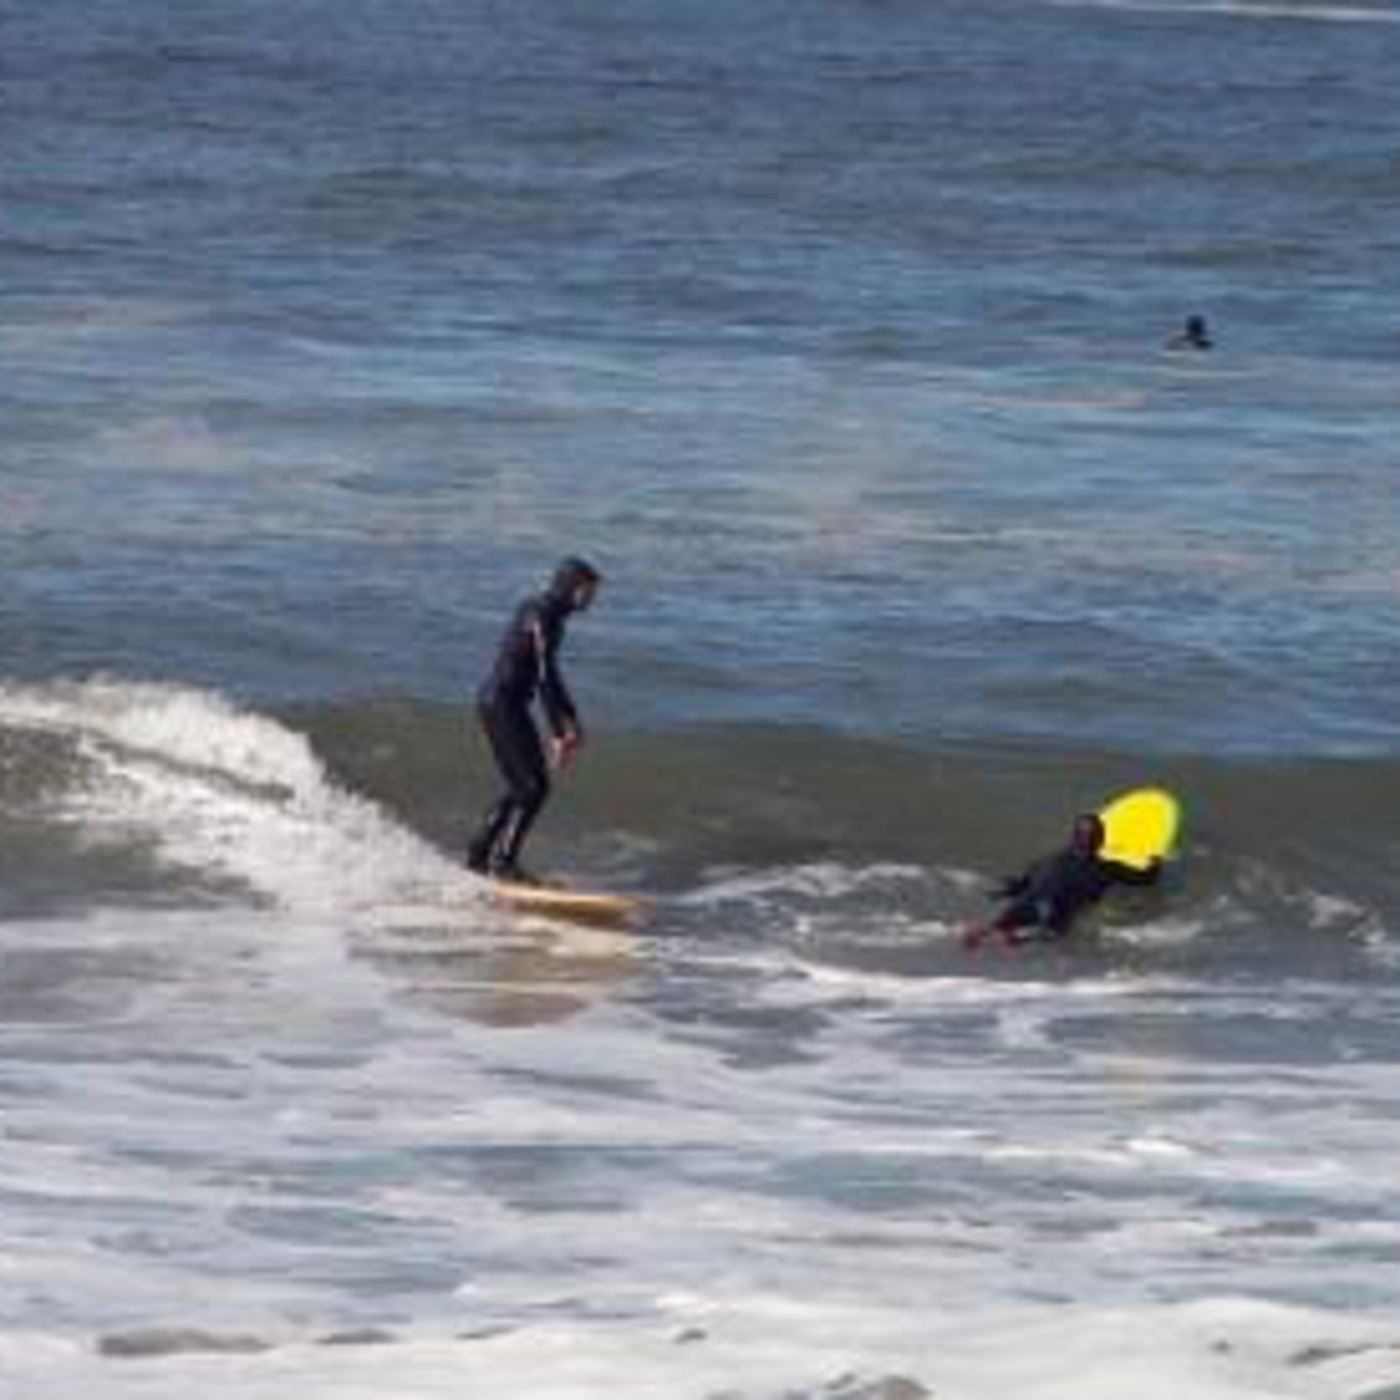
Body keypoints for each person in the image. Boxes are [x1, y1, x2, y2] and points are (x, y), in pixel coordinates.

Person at [466, 557, 601, 883]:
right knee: (533, 787)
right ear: (571, 587)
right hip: (502, 704)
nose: (592, 599)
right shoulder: (542, 615)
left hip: (501, 703)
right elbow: (543, 675)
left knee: (522, 787)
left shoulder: (547, 613)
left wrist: (571, 719)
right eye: (588, 591)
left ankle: (479, 856)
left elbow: (550, 673)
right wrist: (557, 732)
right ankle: (503, 864)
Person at [962, 813, 1161, 949]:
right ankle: (1016, 940)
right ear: (1101, 841)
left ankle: (979, 935)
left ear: (1074, 837)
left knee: (999, 924)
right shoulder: (1108, 867)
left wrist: (1001, 893)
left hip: (1026, 901)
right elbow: (1146, 879)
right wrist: (1155, 859)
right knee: (1053, 934)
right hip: (1055, 906)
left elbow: (1020, 884)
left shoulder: (1045, 860)